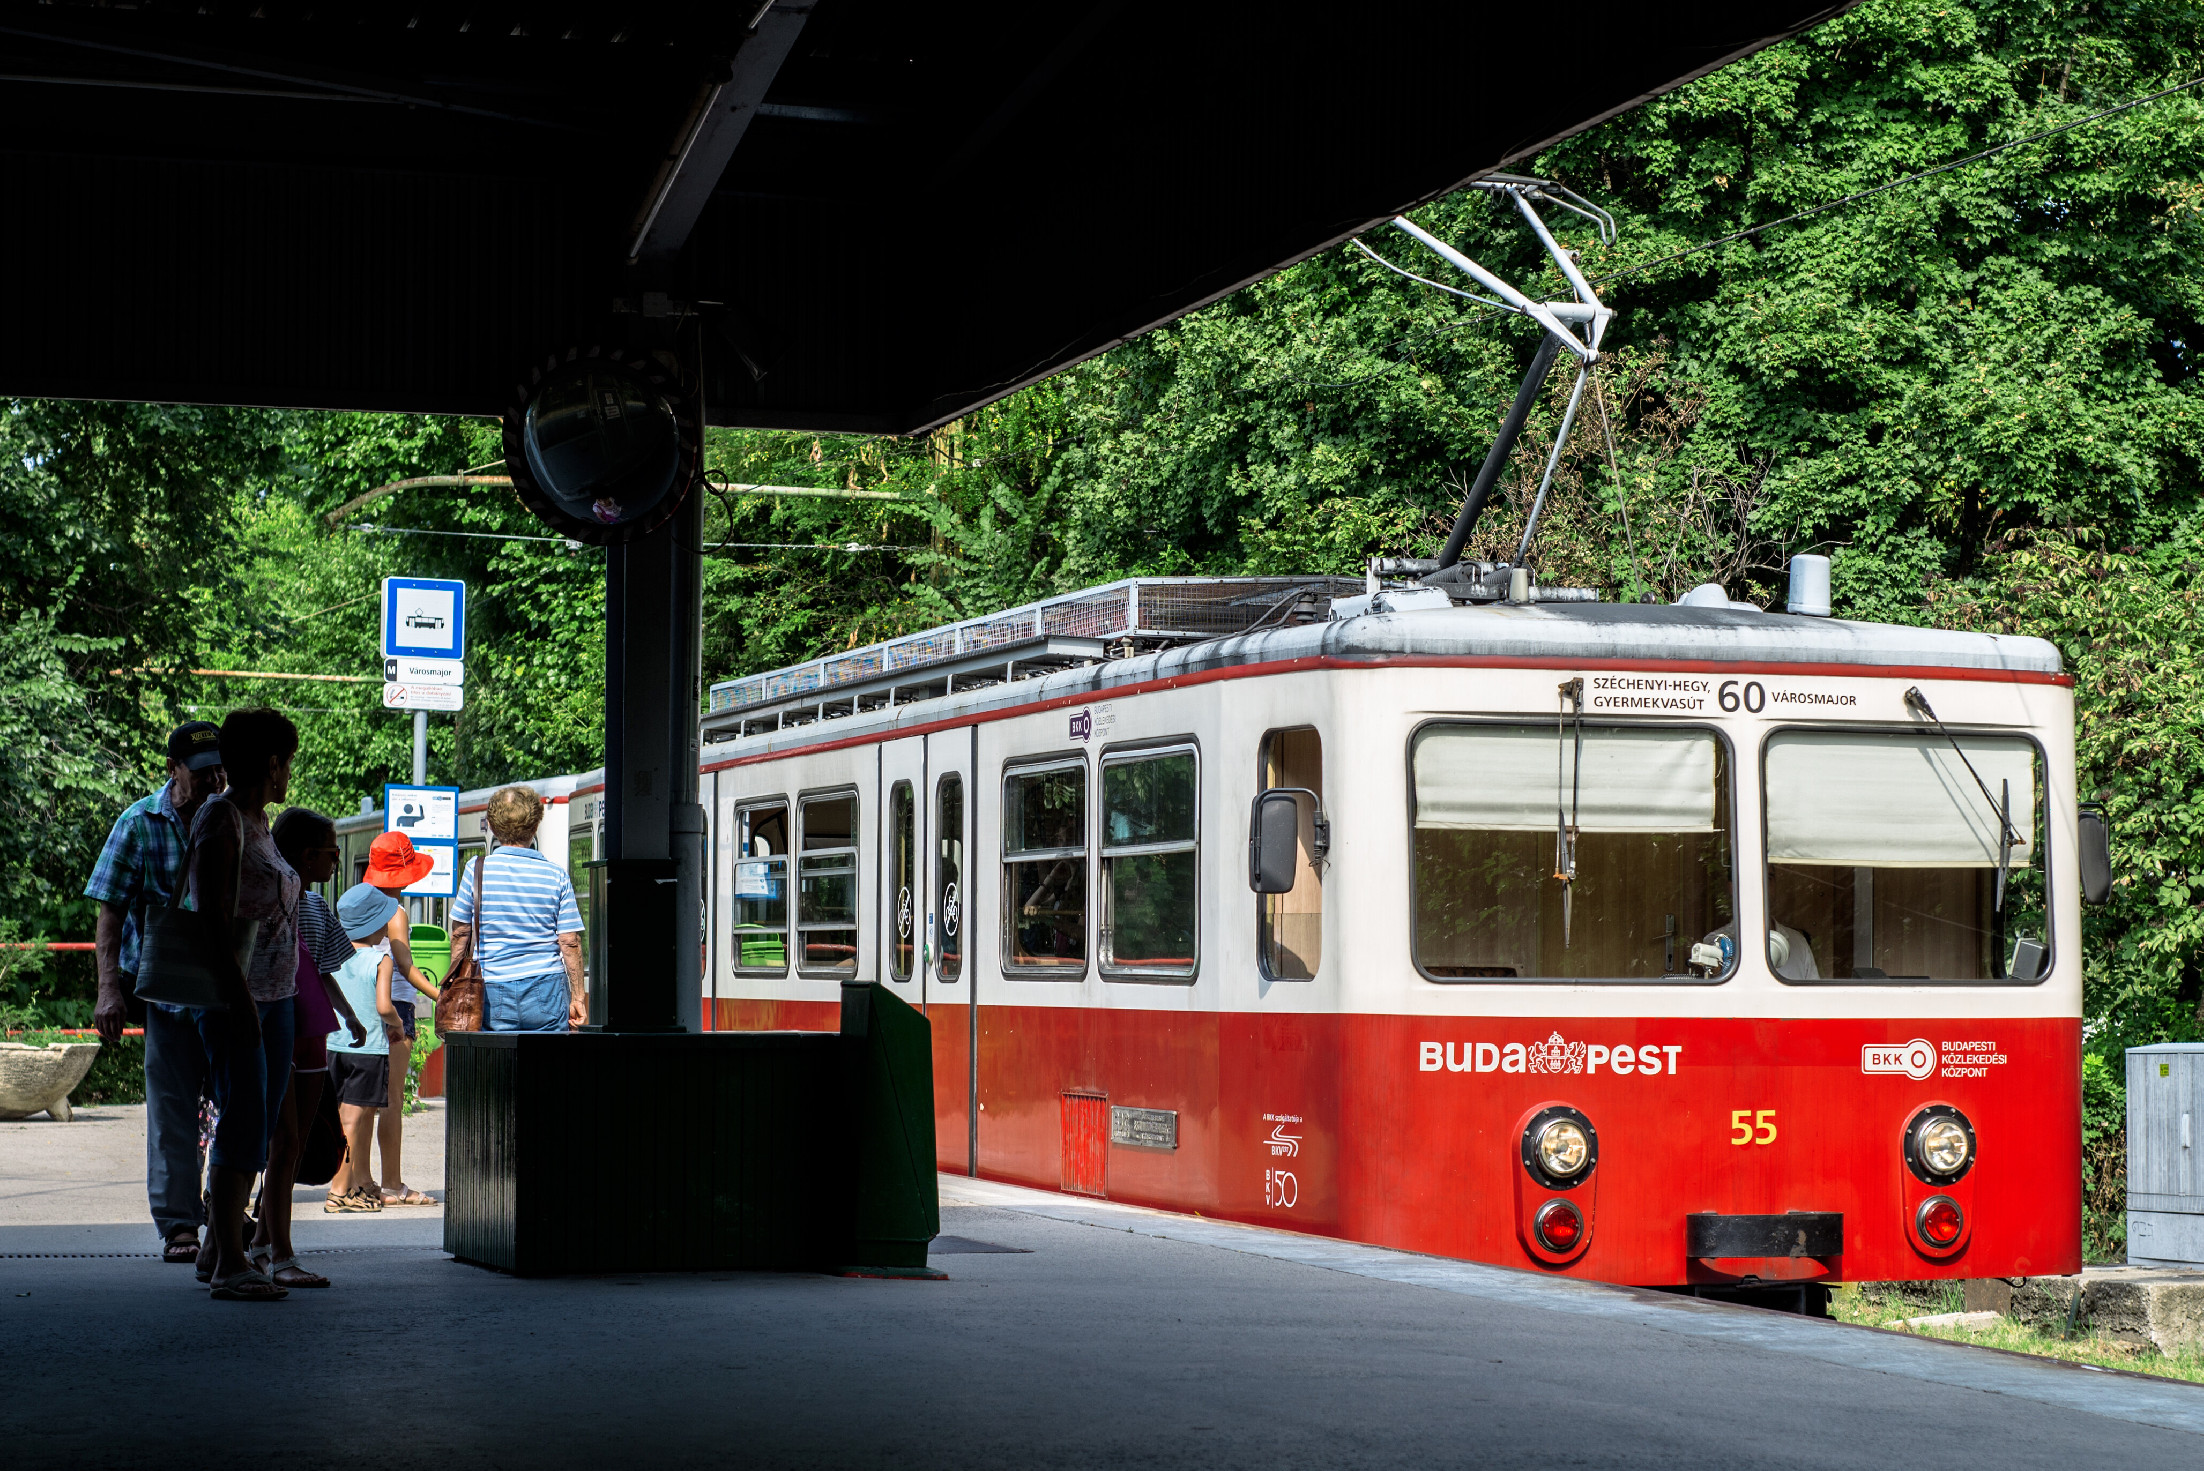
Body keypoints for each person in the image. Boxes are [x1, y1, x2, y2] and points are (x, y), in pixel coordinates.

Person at [84, 720, 227, 1265]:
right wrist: (108, 992)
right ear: (172, 771)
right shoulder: (138, 822)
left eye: (220, 768)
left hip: (227, 990)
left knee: (237, 1106)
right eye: (200, 772)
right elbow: (109, 910)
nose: (213, 779)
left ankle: (226, 1207)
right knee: (172, 1113)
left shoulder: (236, 815)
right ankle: (180, 1226)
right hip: (166, 994)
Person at [187, 708, 301, 1302]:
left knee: (257, 1119)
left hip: (276, 995)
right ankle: (231, 1259)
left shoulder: (259, 820)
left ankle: (216, 1247)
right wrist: (237, 999)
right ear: (271, 761)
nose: (289, 773)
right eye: (287, 761)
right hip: (239, 997)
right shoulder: (222, 819)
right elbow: (211, 918)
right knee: (243, 1120)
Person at [250, 809, 367, 1286]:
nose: (337, 862)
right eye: (331, 853)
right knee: (284, 1143)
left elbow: (320, 968)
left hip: (308, 1024)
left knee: (286, 1143)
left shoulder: (309, 906)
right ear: (305, 855)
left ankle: (260, 1241)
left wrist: (348, 1013)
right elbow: (317, 968)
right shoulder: (290, 902)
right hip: (291, 1023)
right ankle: (278, 1251)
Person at [448, 785, 586, 1033]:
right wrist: (577, 997)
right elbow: (570, 941)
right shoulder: (557, 876)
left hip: (492, 987)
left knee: (497, 1065)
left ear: (491, 825)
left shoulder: (476, 870)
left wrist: (454, 983)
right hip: (547, 988)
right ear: (535, 827)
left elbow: (460, 934)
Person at [350, 831, 441, 1205]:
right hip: (394, 1011)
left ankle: (359, 1180)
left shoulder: (358, 906)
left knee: (363, 1099)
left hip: (363, 1005)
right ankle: (391, 1183)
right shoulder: (394, 911)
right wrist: (441, 995)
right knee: (391, 1100)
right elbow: (405, 966)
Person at [325, 884, 411, 1213]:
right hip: (369, 1051)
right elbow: (385, 1006)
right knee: (353, 1121)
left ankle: (347, 1186)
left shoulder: (335, 956)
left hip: (336, 1046)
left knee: (342, 1120)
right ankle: (338, 1192)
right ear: (376, 926)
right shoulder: (381, 959)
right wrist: (398, 1026)